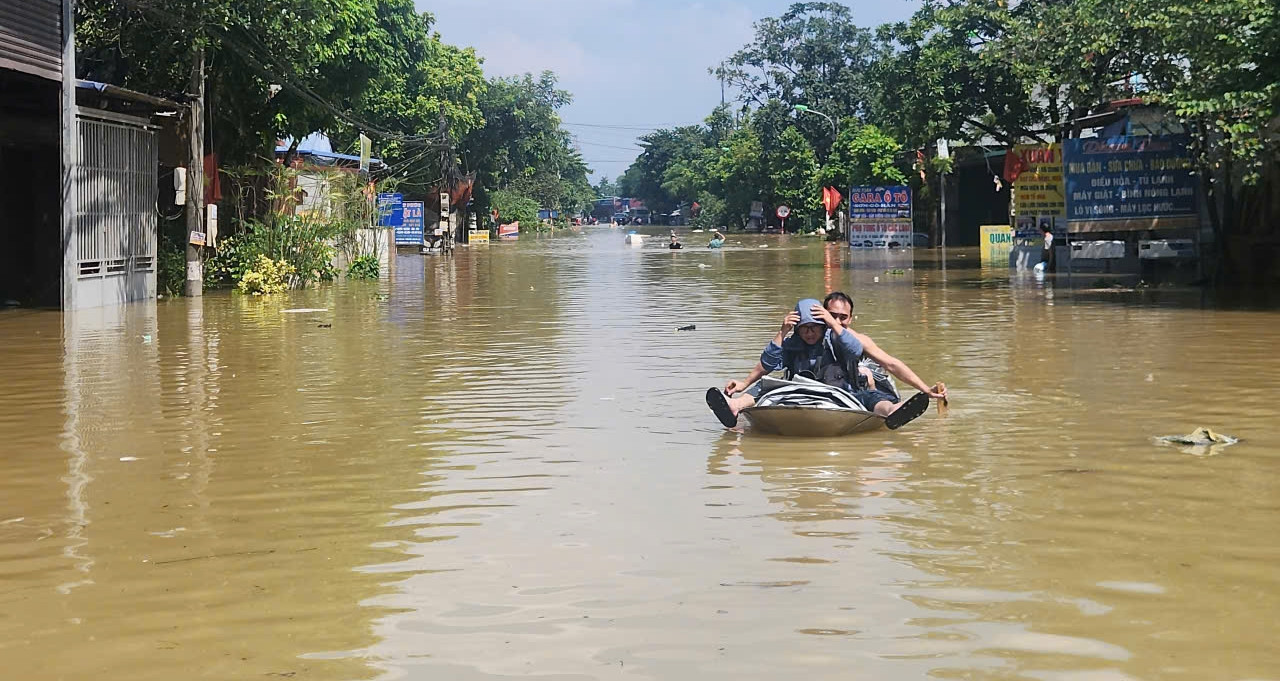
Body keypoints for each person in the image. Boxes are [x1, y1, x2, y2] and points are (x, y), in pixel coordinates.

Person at [705, 292, 946, 430]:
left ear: (851, 318)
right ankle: (734, 406)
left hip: (845, 393)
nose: (838, 321)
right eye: (833, 316)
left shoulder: (850, 338)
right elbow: (767, 363)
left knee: (873, 396)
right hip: (801, 390)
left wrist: (925, 389)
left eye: (843, 317)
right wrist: (744, 384)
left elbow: (890, 363)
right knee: (766, 386)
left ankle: (893, 412)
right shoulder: (795, 340)